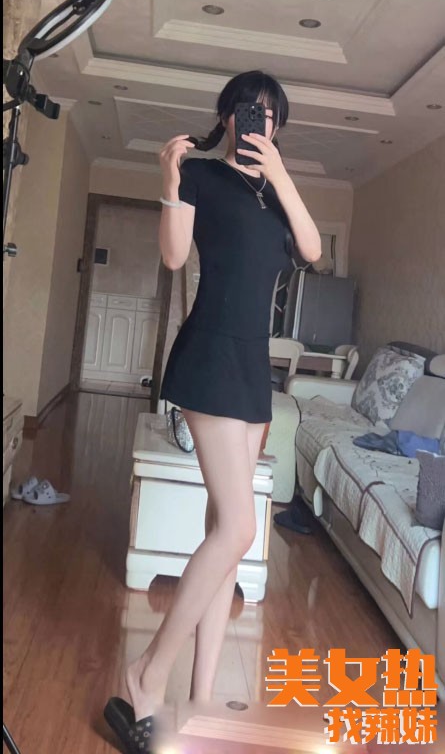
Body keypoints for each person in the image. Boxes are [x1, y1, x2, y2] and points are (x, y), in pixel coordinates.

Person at [104, 70, 321, 753]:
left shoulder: (276, 194)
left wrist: (280, 175)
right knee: (236, 529)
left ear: (278, 127)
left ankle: (199, 697)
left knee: (227, 533)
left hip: (252, 367)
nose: (259, 119)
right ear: (227, 116)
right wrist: (169, 183)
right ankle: (146, 675)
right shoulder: (201, 175)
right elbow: (174, 257)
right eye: (248, 108)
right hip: (209, 355)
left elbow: (312, 249)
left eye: (270, 114)